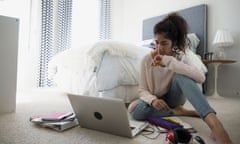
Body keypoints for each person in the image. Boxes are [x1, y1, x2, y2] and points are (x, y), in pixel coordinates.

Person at [128, 13, 233, 144]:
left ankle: (217, 128)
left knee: (180, 75)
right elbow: (143, 89)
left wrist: (169, 62)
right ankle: (178, 112)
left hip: (173, 98)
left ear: (174, 43)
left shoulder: (182, 57)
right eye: (156, 43)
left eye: (164, 43)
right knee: (134, 110)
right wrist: (153, 100)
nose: (159, 49)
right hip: (158, 101)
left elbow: (201, 78)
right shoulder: (147, 59)